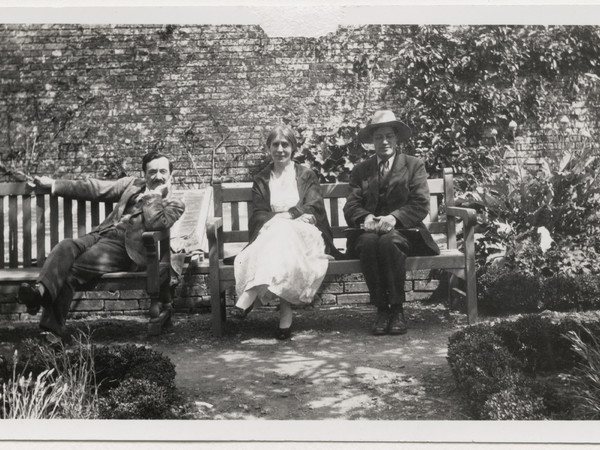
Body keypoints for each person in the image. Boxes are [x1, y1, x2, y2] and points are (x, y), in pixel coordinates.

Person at [17, 151, 185, 341]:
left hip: (125, 249)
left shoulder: (174, 203)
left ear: (171, 175)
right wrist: (54, 184)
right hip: (101, 234)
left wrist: (153, 196)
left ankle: (49, 328)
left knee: (69, 270)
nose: (158, 176)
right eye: (152, 172)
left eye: (163, 171)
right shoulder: (132, 184)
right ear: (144, 174)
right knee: (65, 245)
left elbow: (156, 224)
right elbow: (94, 188)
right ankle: (40, 293)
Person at [233, 125, 341, 340]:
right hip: (274, 235)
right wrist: (283, 219)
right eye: (275, 145)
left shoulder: (306, 175)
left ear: (293, 148)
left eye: (285, 144)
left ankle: (250, 292)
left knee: (282, 230)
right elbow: (259, 214)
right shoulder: (262, 179)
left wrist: (286, 216)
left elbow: (313, 207)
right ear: (268, 148)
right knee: (280, 239)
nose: (280, 149)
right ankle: (285, 313)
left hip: (306, 235)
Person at [343, 110, 440, 336]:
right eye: (378, 137)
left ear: (396, 138)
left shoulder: (414, 165)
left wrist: (394, 218)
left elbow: (420, 203)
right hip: (369, 233)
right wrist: (365, 218)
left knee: (389, 242)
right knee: (367, 243)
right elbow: (351, 205)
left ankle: (397, 310)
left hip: (406, 233)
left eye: (388, 136)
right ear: (372, 142)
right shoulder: (361, 170)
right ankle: (381, 310)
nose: (384, 142)